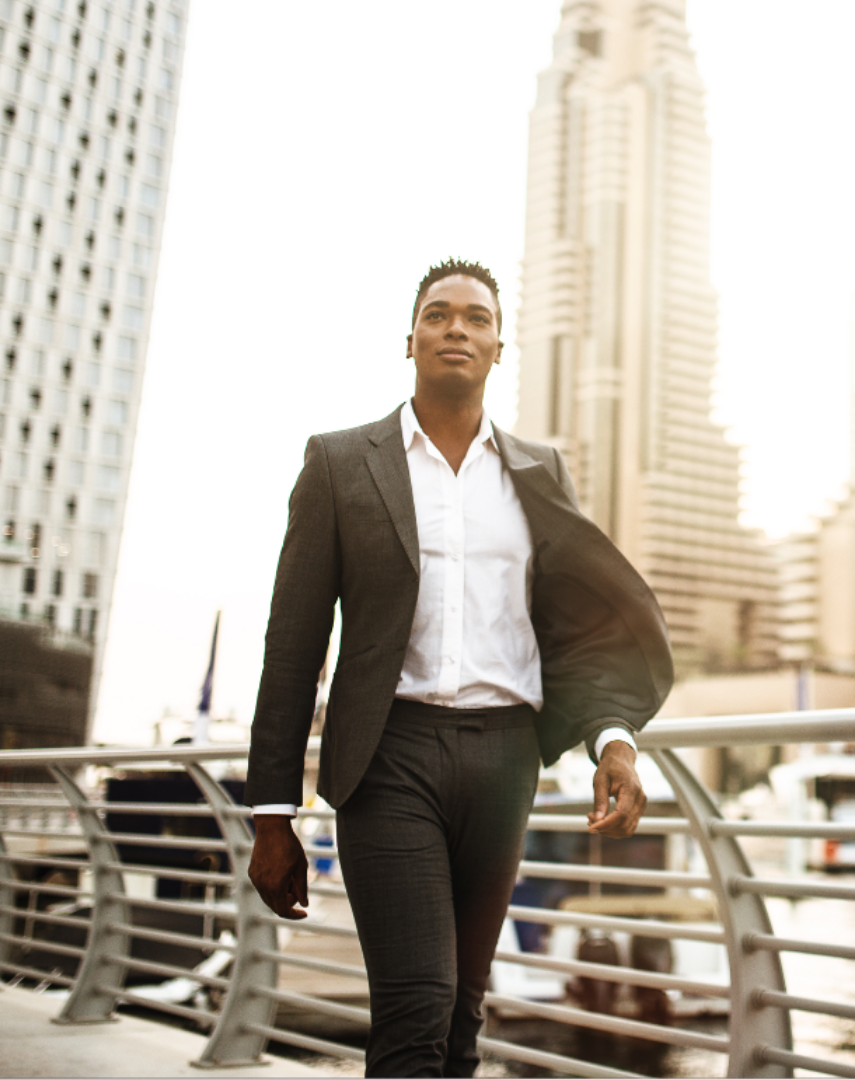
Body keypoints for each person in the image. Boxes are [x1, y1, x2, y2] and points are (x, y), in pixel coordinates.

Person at [245, 258, 674, 1078]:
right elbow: (292, 644)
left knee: (461, 1015)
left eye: (475, 318)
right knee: (415, 1008)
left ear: (498, 347)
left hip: (503, 760)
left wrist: (612, 741)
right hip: (387, 759)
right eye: (438, 315)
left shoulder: (538, 470)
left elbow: (577, 628)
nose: (456, 329)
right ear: (408, 340)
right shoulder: (339, 463)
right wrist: (271, 814)